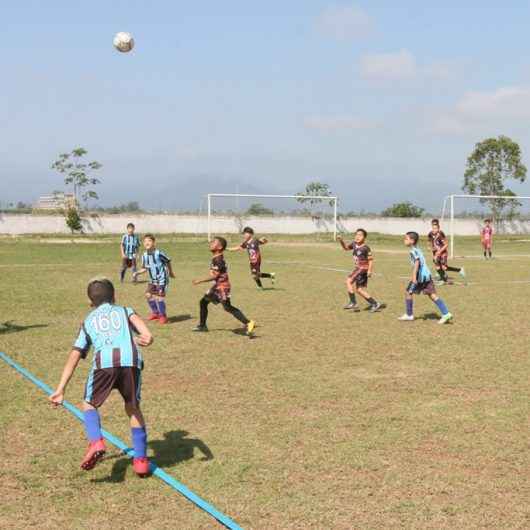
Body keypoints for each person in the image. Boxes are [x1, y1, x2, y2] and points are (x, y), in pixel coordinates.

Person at [49, 278, 153, 476]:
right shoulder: (125, 310)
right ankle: (140, 461)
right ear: (115, 296)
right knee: (133, 407)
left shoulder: (88, 321)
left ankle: (96, 442)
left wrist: (60, 388)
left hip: (103, 363)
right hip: (130, 360)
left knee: (89, 404)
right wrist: (148, 335)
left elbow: (75, 354)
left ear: (90, 302)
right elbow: (144, 331)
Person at [192, 236, 256, 336]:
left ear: (220, 247)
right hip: (217, 286)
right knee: (203, 302)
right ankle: (202, 325)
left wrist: (199, 281)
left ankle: (248, 323)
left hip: (222, 287)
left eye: (214, 242)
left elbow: (215, 276)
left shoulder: (218, 260)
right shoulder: (216, 258)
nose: (211, 243)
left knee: (227, 307)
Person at [398, 231, 453, 324]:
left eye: (406, 239)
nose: (404, 240)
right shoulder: (417, 249)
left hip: (420, 277)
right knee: (432, 295)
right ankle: (446, 313)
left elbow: (417, 263)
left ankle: (409, 314)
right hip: (427, 276)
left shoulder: (413, 251)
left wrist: (414, 278)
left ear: (412, 240)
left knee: (408, 292)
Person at [337, 229, 383, 312]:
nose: (358, 236)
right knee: (359, 290)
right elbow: (346, 248)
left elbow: (371, 260)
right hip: (358, 268)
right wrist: (341, 241)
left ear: (364, 238)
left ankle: (353, 302)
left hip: (362, 268)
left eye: (360, 235)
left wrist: (369, 270)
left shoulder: (366, 248)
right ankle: (375, 304)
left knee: (348, 281)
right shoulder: (354, 244)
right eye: (356, 234)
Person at [133, 234, 175, 324]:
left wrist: (170, 272)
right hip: (152, 280)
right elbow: (145, 268)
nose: (147, 243)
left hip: (162, 279)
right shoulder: (144, 255)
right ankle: (155, 313)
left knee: (159, 298)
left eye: (149, 241)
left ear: (154, 242)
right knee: (148, 295)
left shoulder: (158, 253)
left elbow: (168, 261)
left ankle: (163, 316)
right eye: (145, 241)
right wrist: (137, 273)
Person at [427, 219, 466, 284]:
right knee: (437, 267)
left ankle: (460, 270)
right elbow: (429, 241)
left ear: (438, 228)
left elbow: (446, 244)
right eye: (433, 228)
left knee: (444, 267)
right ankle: (444, 280)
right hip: (436, 253)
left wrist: (440, 251)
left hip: (443, 253)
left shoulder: (440, 234)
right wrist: (429, 247)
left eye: (436, 228)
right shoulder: (430, 233)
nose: (434, 230)